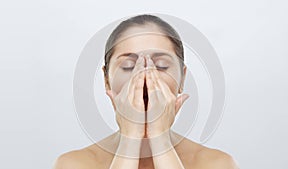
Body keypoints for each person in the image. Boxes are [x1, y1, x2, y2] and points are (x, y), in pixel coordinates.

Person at [53, 14, 239, 169]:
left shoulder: (217, 164)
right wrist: (130, 139)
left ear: (182, 79)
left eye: (161, 66)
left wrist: (160, 139)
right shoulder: (73, 164)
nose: (143, 77)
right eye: (128, 66)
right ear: (107, 80)